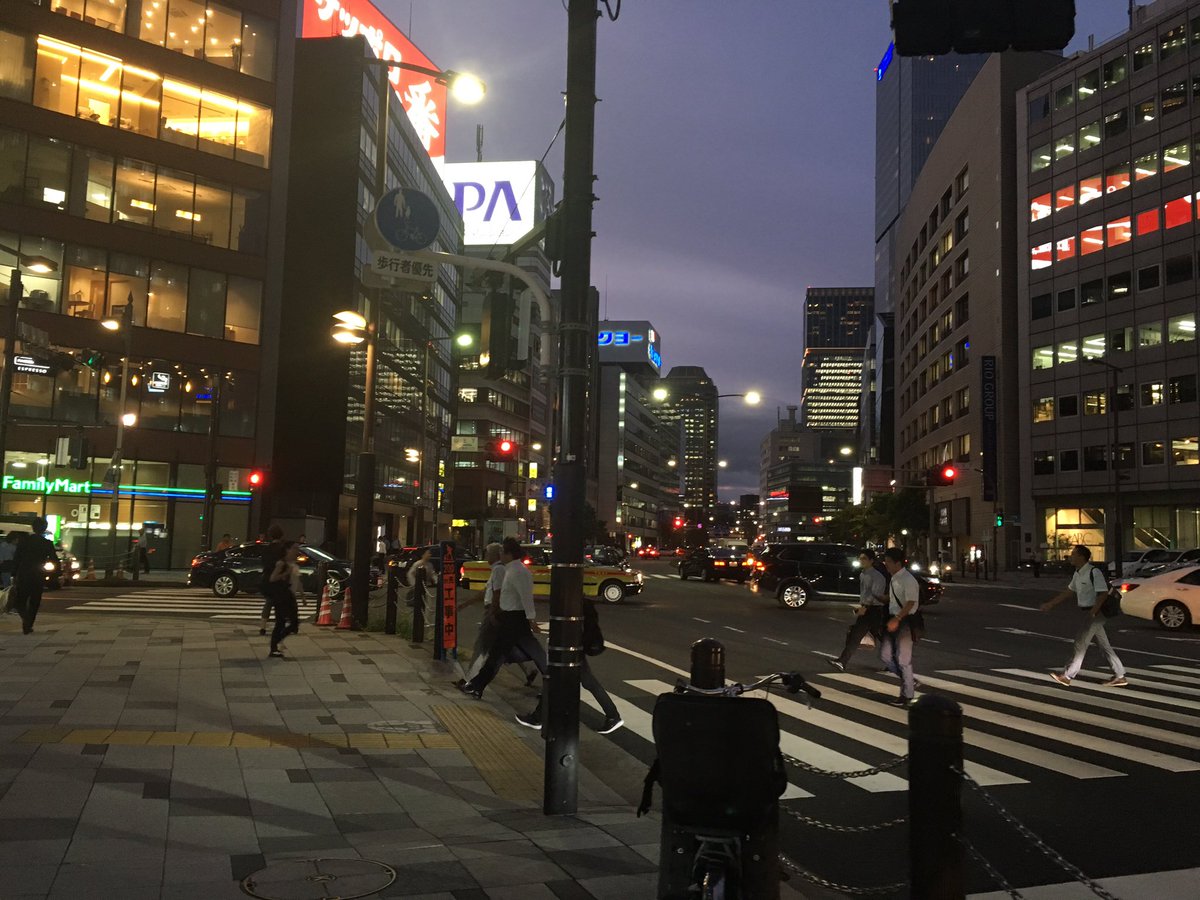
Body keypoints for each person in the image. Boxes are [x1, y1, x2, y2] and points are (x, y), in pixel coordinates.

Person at [460, 537, 549, 699]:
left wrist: (531, 619)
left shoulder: (517, 572)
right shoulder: (511, 570)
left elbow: (525, 597)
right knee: (515, 652)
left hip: (514, 618)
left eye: (502, 552)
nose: (500, 554)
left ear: (509, 554)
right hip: (511, 617)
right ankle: (477, 685)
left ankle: (476, 685)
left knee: (500, 654)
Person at [1040, 544, 1127, 687]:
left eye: (1073, 554)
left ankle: (1067, 675)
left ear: (1081, 557)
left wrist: (1093, 612)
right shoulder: (1078, 573)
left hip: (1098, 612)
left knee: (1080, 642)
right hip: (1090, 611)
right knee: (1104, 645)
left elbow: (1103, 593)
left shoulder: (1094, 572)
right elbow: (1069, 591)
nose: (1070, 556)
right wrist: (1051, 604)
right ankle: (1120, 675)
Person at [831, 548, 888, 672]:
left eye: (864, 559)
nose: (861, 561)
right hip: (867, 609)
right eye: (860, 558)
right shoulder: (863, 574)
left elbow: (875, 594)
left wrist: (864, 607)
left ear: (871, 560)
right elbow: (865, 593)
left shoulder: (877, 576)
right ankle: (842, 661)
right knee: (859, 636)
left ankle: (842, 661)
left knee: (862, 636)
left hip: (874, 610)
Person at [879, 547, 920, 707]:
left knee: (903, 659)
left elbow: (910, 603)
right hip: (893, 618)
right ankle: (910, 681)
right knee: (885, 656)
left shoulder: (908, 580)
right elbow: (894, 599)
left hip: (904, 621)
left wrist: (897, 618)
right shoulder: (894, 578)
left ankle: (907, 696)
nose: (886, 564)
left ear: (898, 563)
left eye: (888, 562)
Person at [9, 519, 56, 635]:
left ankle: (25, 618)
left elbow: (16, 559)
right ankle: (29, 623)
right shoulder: (47, 543)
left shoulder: (24, 542)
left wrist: (13, 573)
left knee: (20, 600)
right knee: (35, 601)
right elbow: (54, 559)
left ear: (33, 527)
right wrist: (53, 575)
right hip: (39, 574)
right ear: (44, 529)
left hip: (24, 573)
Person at [267, 541, 301, 658]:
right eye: (295, 549)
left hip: (288, 594)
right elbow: (272, 578)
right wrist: (285, 573)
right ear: (288, 550)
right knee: (280, 622)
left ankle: (276, 642)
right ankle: (273, 647)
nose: (297, 551)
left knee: (294, 623)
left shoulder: (291, 563)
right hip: (280, 595)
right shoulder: (281, 563)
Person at [258, 524, 285, 636]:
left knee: (269, 602)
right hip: (280, 579)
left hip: (268, 578)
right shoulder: (283, 549)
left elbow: (264, 563)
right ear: (281, 535)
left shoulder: (266, 549)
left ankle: (263, 627)